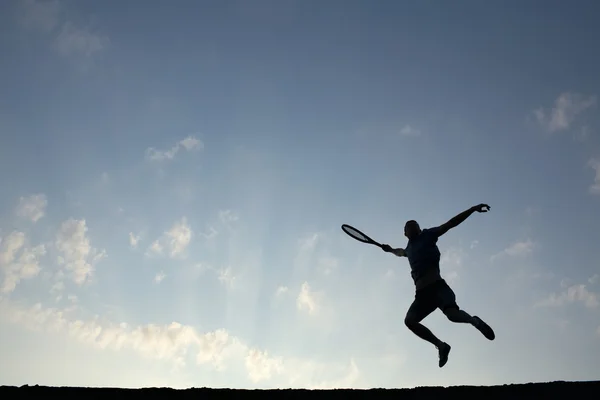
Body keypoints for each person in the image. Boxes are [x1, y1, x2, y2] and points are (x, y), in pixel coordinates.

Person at [381, 203, 495, 368]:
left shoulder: (428, 235)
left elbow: (450, 224)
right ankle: (441, 346)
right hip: (422, 295)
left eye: (414, 225)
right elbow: (401, 252)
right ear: (405, 233)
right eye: (408, 226)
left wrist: (471, 210)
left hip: (438, 287)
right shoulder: (408, 248)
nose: (411, 227)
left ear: (419, 229)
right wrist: (390, 250)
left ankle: (474, 321)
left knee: (453, 316)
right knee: (410, 321)